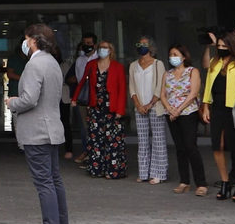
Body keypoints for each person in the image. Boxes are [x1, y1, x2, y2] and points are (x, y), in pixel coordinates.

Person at [9, 24, 69, 224]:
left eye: (25, 39)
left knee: (44, 183)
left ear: (34, 40)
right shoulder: (52, 61)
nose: (23, 44)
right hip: (52, 129)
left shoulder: (34, 64)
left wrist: (12, 102)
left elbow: (30, 99)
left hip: (37, 132)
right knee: (54, 180)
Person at [71, 41, 127, 179]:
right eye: (101, 47)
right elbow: (83, 81)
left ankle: (113, 171)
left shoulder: (117, 67)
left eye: (106, 47)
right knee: (95, 139)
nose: (103, 50)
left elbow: (122, 90)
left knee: (113, 139)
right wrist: (75, 98)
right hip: (95, 106)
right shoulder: (91, 64)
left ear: (111, 50)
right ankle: (97, 169)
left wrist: (120, 110)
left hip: (112, 108)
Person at [203, 32, 235, 201]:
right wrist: (206, 105)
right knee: (217, 145)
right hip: (218, 107)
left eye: (224, 46)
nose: (221, 49)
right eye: (219, 46)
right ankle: (225, 181)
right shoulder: (215, 62)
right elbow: (208, 85)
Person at [163, 44, 206, 195]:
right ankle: (184, 181)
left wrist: (179, 110)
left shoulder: (192, 72)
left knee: (190, 146)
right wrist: (170, 109)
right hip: (171, 114)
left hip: (188, 113)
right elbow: (163, 95)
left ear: (183, 56)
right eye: (170, 54)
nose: (172, 57)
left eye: (175, 54)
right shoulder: (167, 74)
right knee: (180, 148)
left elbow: (193, 93)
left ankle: (201, 183)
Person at [128, 37, 167, 184]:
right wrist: (138, 105)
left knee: (158, 140)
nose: (141, 46)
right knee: (143, 141)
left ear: (151, 47)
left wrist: (150, 104)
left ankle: (158, 173)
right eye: (139, 44)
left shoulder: (158, 64)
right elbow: (132, 88)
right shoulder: (133, 65)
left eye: (145, 44)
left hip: (154, 107)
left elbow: (160, 86)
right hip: (140, 108)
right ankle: (144, 172)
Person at [68, 33, 96, 164]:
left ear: (95, 44)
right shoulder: (79, 60)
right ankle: (86, 152)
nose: (87, 46)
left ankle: (96, 154)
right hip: (84, 98)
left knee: (96, 127)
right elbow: (80, 80)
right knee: (84, 127)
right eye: (85, 43)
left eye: (89, 43)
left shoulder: (99, 58)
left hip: (97, 98)